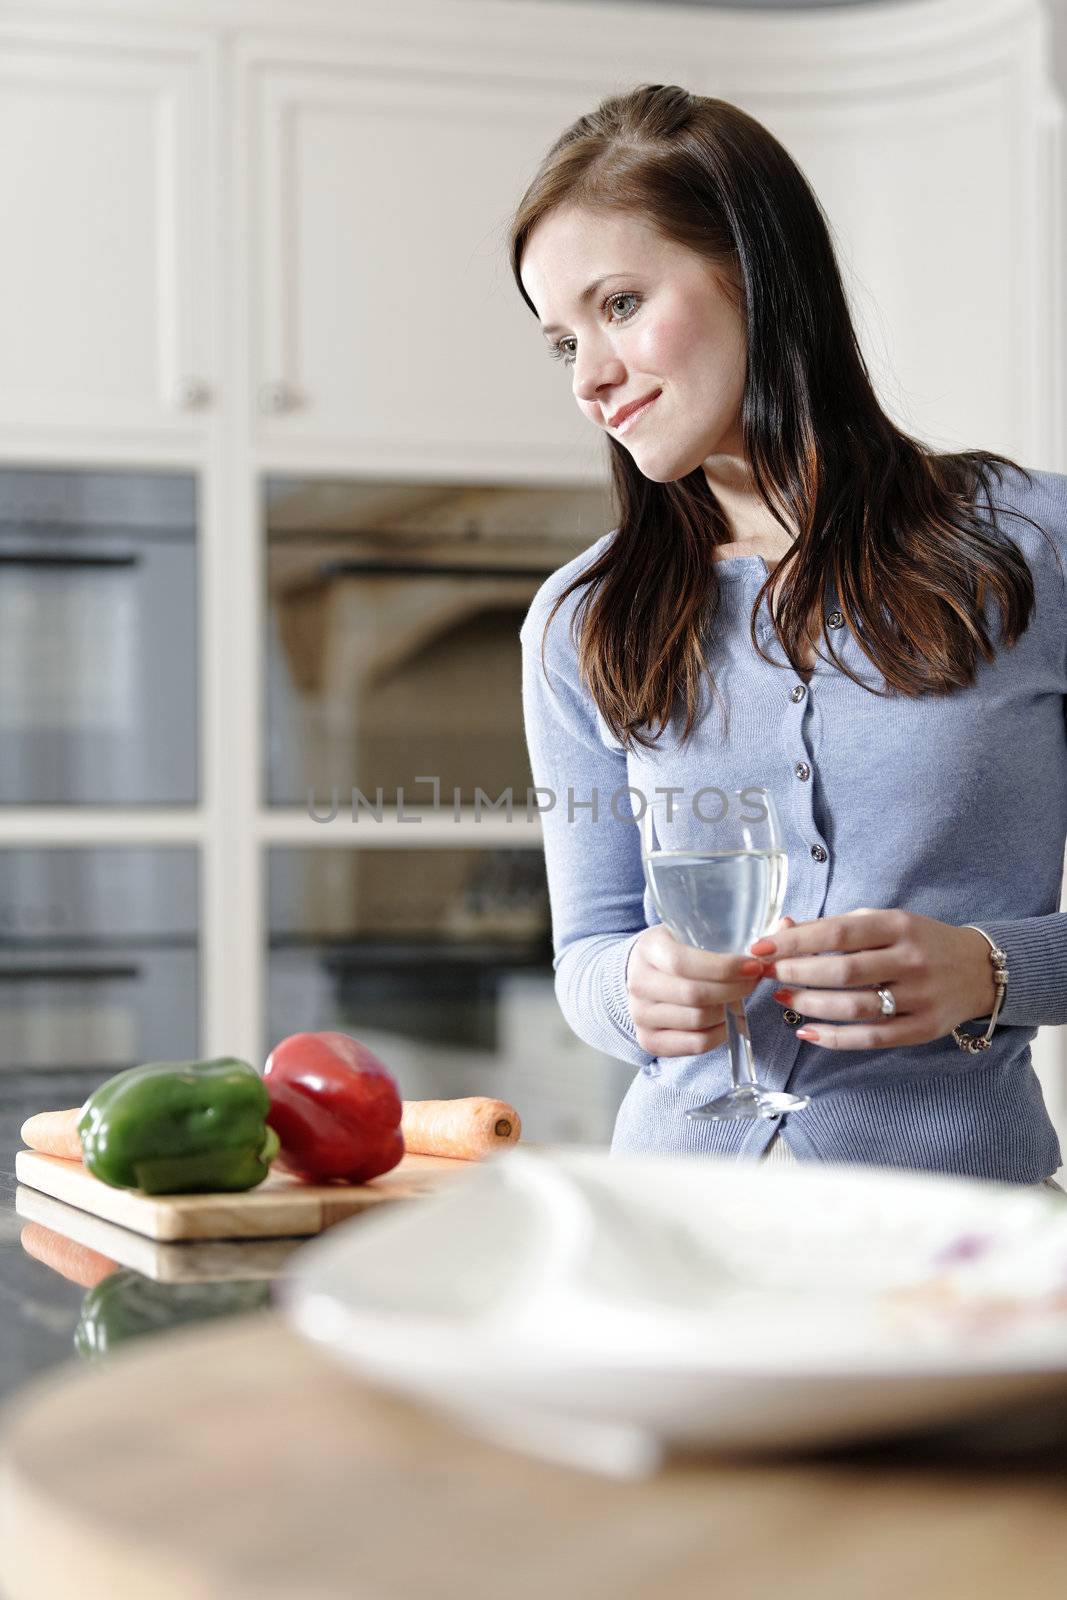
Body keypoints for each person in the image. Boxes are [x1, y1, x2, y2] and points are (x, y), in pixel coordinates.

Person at [510, 83, 1067, 1189]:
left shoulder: (1033, 549)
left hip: (960, 1233)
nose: (589, 380)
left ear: (754, 270)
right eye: (560, 340)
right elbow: (585, 954)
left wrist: (992, 968)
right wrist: (636, 988)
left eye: (618, 305)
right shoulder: (580, 621)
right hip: (679, 1224)